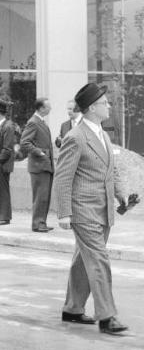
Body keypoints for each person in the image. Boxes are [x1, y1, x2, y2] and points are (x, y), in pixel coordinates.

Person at [53, 83, 129, 335]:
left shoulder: (103, 134)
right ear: (92, 108)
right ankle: (107, 316)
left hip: (103, 209)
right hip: (83, 210)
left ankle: (72, 309)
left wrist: (122, 195)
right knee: (98, 260)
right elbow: (63, 178)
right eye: (105, 103)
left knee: (82, 261)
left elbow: (112, 170)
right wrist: (64, 212)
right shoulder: (75, 137)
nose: (108, 106)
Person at [20, 98, 55, 233]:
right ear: (41, 108)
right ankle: (38, 224)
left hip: (44, 165)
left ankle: (41, 222)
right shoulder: (33, 122)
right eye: (48, 107)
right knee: (40, 196)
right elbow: (24, 142)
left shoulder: (40, 121)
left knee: (44, 196)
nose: (50, 109)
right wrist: (39, 152)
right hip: (39, 165)